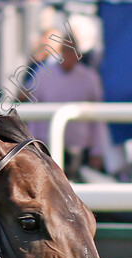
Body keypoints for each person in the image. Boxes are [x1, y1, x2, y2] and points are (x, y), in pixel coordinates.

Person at [25, 42, 109, 181]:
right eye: (66, 51)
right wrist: (32, 143)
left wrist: (97, 150)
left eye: (72, 52)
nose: (69, 56)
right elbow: (33, 109)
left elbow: (98, 118)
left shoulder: (89, 77)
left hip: (79, 148)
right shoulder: (43, 73)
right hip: (46, 145)